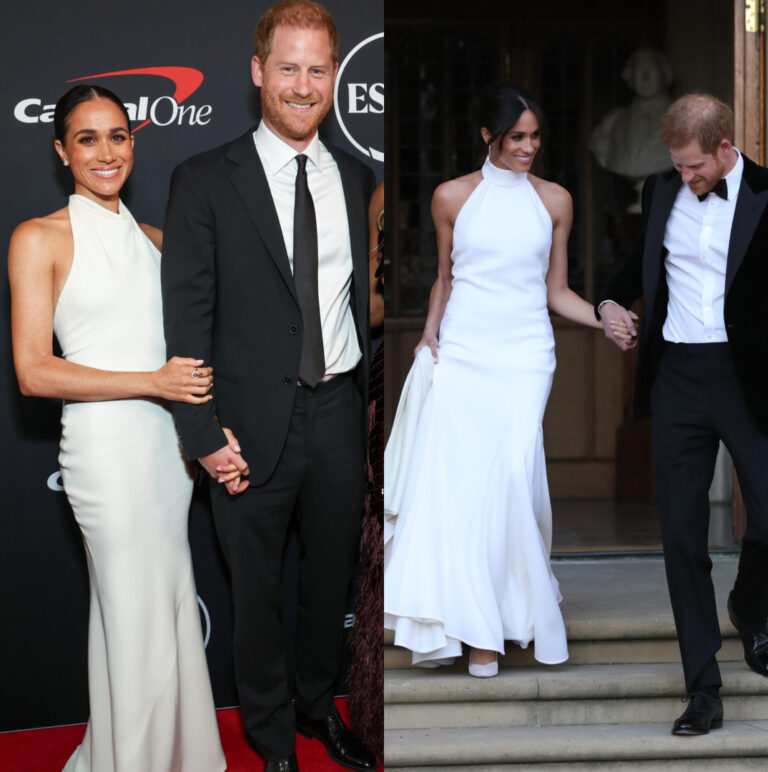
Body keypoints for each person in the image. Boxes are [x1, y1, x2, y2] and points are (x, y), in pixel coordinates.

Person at [160, 2, 377, 771]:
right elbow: (186, 322)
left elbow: (358, 305)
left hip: (338, 414)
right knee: (255, 597)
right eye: (288, 67)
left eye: (317, 69)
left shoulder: (357, 177)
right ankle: (271, 737)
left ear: (333, 78)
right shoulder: (203, 179)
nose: (302, 84)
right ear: (258, 72)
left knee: (327, 587)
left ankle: (319, 709)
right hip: (246, 427)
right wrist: (202, 435)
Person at [7, 85, 225, 772]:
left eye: (119, 136)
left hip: (167, 455)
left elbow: (199, 355)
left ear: (135, 143)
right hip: (106, 453)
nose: (106, 152)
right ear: (61, 151)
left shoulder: (160, 243)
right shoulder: (38, 238)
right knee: (132, 621)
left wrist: (206, 430)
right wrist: (150, 382)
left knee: (161, 615)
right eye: (88, 138)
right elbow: (34, 372)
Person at [383, 83, 634, 677]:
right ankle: (477, 632)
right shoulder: (451, 197)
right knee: (465, 491)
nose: (528, 147)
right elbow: (446, 277)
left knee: (512, 480)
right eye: (516, 137)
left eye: (535, 137)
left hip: (526, 359)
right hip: (464, 354)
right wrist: (428, 336)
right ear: (487, 136)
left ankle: (500, 619)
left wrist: (602, 315)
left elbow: (556, 292)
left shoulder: (555, 201)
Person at [596, 93, 768, 736]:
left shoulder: (765, 195)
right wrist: (611, 306)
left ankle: (752, 612)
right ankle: (703, 687)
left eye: (696, 167)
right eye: (679, 166)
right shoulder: (662, 188)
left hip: (749, 381)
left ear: (726, 147)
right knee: (680, 537)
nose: (686, 178)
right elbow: (633, 268)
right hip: (677, 380)